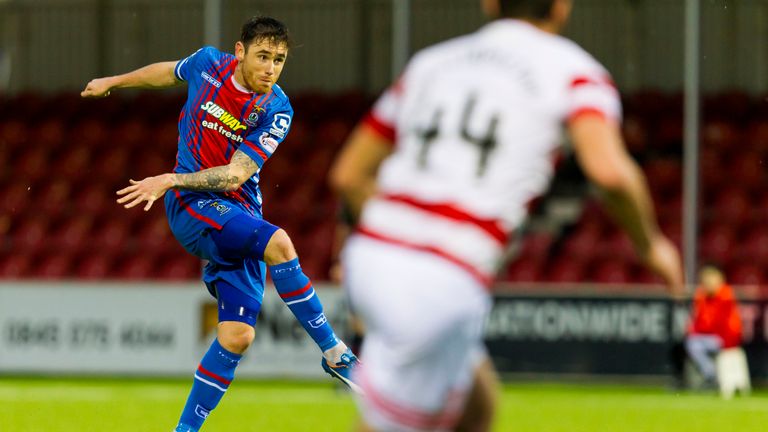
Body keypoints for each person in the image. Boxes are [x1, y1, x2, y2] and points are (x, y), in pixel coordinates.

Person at [330, 0, 684, 430]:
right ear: (562, 7)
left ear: (489, 3)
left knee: (476, 404)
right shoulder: (576, 73)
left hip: (371, 254)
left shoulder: (431, 63)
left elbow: (348, 175)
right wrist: (653, 246)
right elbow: (609, 172)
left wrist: (398, 241)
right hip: (441, 275)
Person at [81, 16, 359, 432]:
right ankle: (336, 355)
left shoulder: (276, 108)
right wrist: (114, 80)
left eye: (279, 60)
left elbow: (235, 175)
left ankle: (184, 430)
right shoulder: (209, 64)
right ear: (240, 51)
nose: (271, 68)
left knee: (237, 336)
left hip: (237, 211)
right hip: (192, 205)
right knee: (281, 244)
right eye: (263, 56)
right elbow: (167, 73)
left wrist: (169, 176)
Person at [685, 265, 742, 386]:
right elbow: (697, 320)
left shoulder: (725, 295)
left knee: (694, 345)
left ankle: (713, 374)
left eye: (710, 281)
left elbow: (720, 323)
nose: (708, 284)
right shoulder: (702, 296)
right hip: (707, 337)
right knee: (692, 343)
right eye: (705, 281)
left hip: (725, 338)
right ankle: (709, 374)